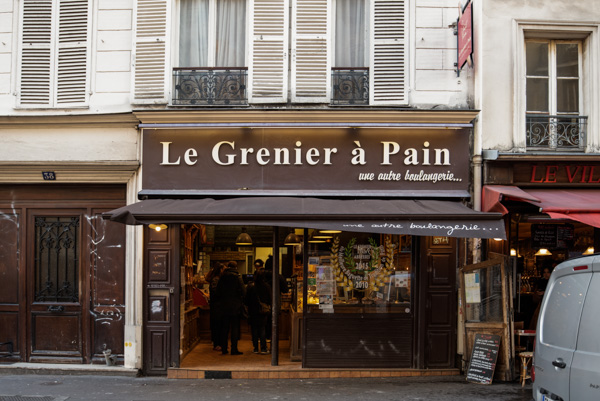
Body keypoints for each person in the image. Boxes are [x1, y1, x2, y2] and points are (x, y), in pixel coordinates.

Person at [216, 261, 246, 355]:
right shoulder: (237, 277)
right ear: (236, 267)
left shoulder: (222, 277)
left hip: (224, 306)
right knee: (235, 328)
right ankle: (234, 349)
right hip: (235, 306)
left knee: (224, 328)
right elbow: (244, 292)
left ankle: (224, 349)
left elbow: (217, 292)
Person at [245, 269, 272, 354]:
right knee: (262, 328)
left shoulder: (250, 286)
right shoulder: (266, 286)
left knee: (254, 329)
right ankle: (263, 348)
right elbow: (270, 299)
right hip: (263, 310)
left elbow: (246, 300)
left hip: (253, 310)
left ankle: (255, 348)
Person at [205, 263, 225, 351]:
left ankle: (218, 343)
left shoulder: (216, 279)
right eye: (224, 269)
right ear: (220, 270)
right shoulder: (216, 279)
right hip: (217, 306)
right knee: (218, 325)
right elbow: (216, 292)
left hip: (216, 305)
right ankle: (217, 344)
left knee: (217, 325)